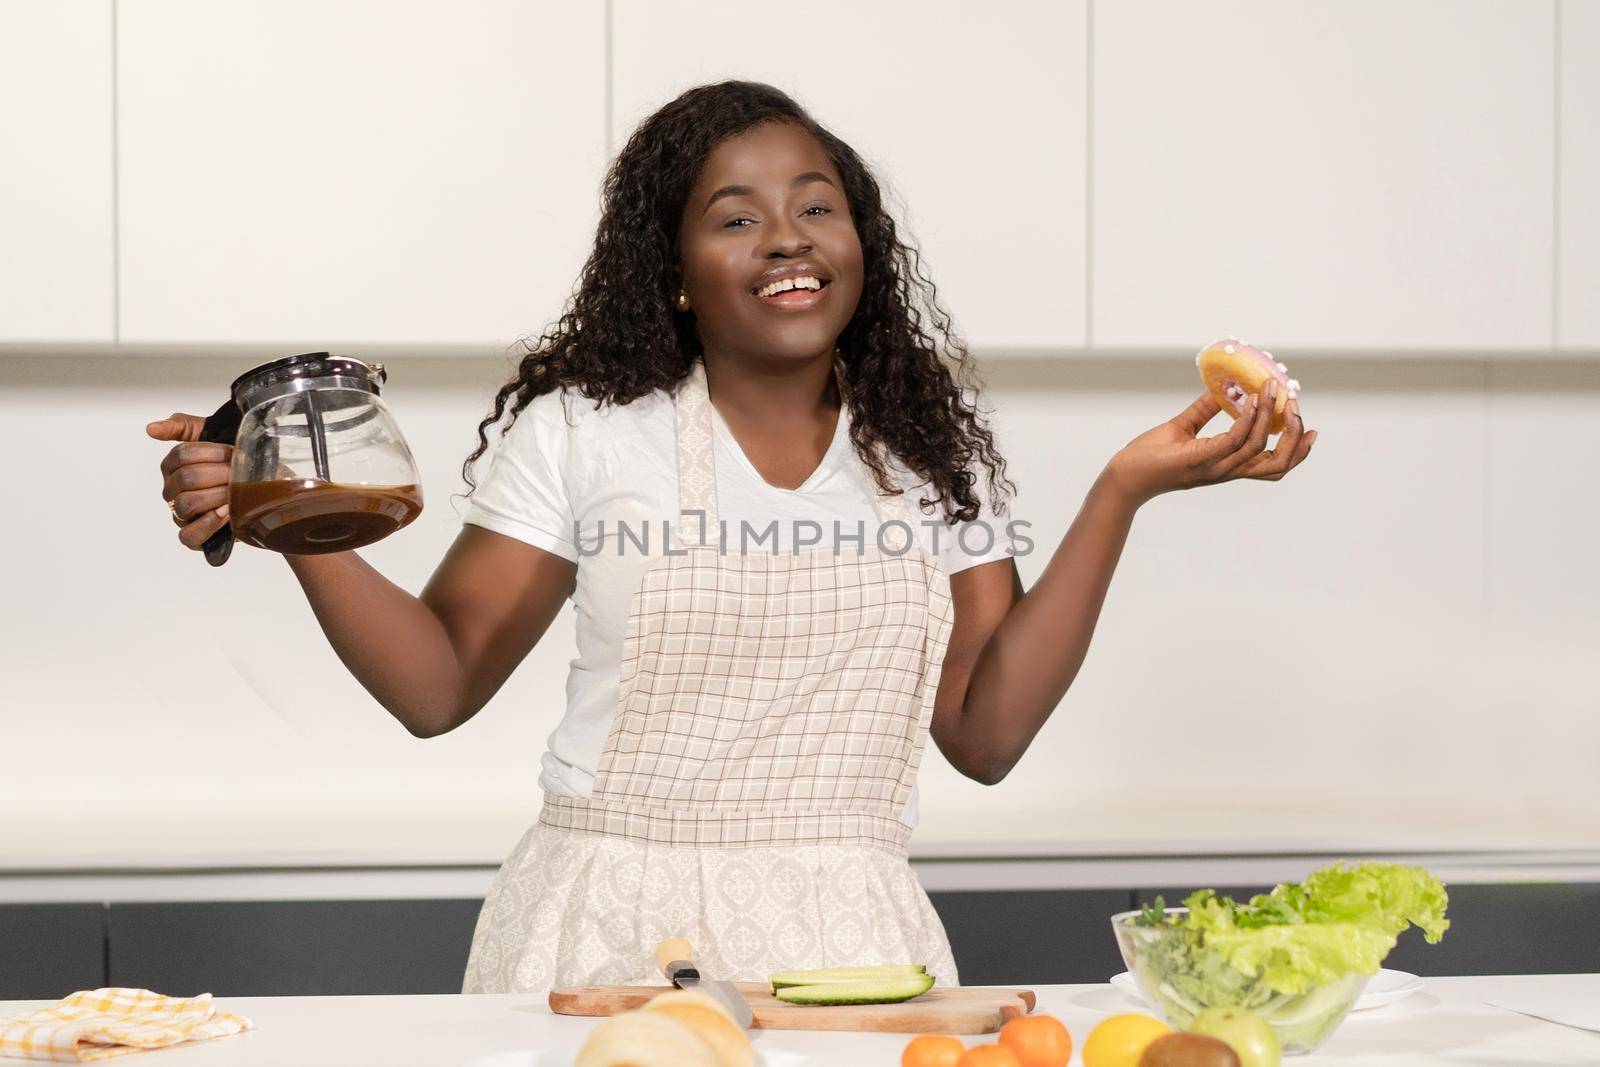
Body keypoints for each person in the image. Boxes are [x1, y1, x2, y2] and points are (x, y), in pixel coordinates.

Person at [147, 81, 1314, 996]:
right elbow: (437, 682)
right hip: (603, 938)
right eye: (736, 217)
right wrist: (288, 517)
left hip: (858, 950)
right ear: (674, 276)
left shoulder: (930, 455)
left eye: (816, 206)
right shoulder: (584, 434)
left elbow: (987, 731)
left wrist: (1121, 492)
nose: (787, 239)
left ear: (862, 242)